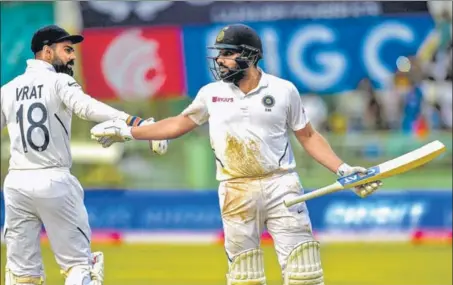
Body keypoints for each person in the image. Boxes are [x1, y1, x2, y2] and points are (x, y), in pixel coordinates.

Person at [90, 24, 382, 285]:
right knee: (245, 277)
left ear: (250, 55)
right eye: (219, 53)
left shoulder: (283, 90)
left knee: (304, 273)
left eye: (228, 53)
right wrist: (129, 131)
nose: (220, 60)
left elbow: (307, 136)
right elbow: (178, 124)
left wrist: (342, 168)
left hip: (282, 186)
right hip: (235, 189)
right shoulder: (210, 93)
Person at [0, 25, 167, 285]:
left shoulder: (8, 89)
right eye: (66, 50)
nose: (72, 57)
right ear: (46, 51)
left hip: (16, 185)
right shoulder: (58, 81)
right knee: (79, 267)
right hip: (54, 180)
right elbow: (86, 107)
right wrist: (135, 122)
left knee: (23, 275)